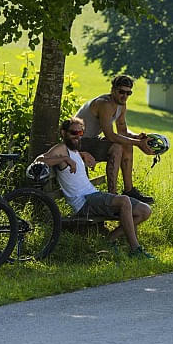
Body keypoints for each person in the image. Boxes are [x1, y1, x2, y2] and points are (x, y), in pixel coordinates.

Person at [35, 117, 154, 259]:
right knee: (124, 201)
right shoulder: (61, 149)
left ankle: (108, 240)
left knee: (145, 211)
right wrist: (64, 159)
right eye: (74, 133)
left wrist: (81, 155)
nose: (77, 137)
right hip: (83, 201)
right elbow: (39, 160)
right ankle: (135, 250)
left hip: (93, 196)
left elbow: (74, 154)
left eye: (80, 133)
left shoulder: (74, 151)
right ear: (63, 132)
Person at [75, 75, 156, 204]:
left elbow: (122, 130)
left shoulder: (121, 105)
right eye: (121, 92)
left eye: (128, 93)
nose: (125, 96)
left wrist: (137, 137)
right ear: (113, 90)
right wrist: (138, 143)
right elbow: (110, 136)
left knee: (126, 145)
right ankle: (112, 195)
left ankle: (129, 191)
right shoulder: (105, 104)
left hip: (91, 140)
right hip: (78, 142)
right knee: (117, 147)